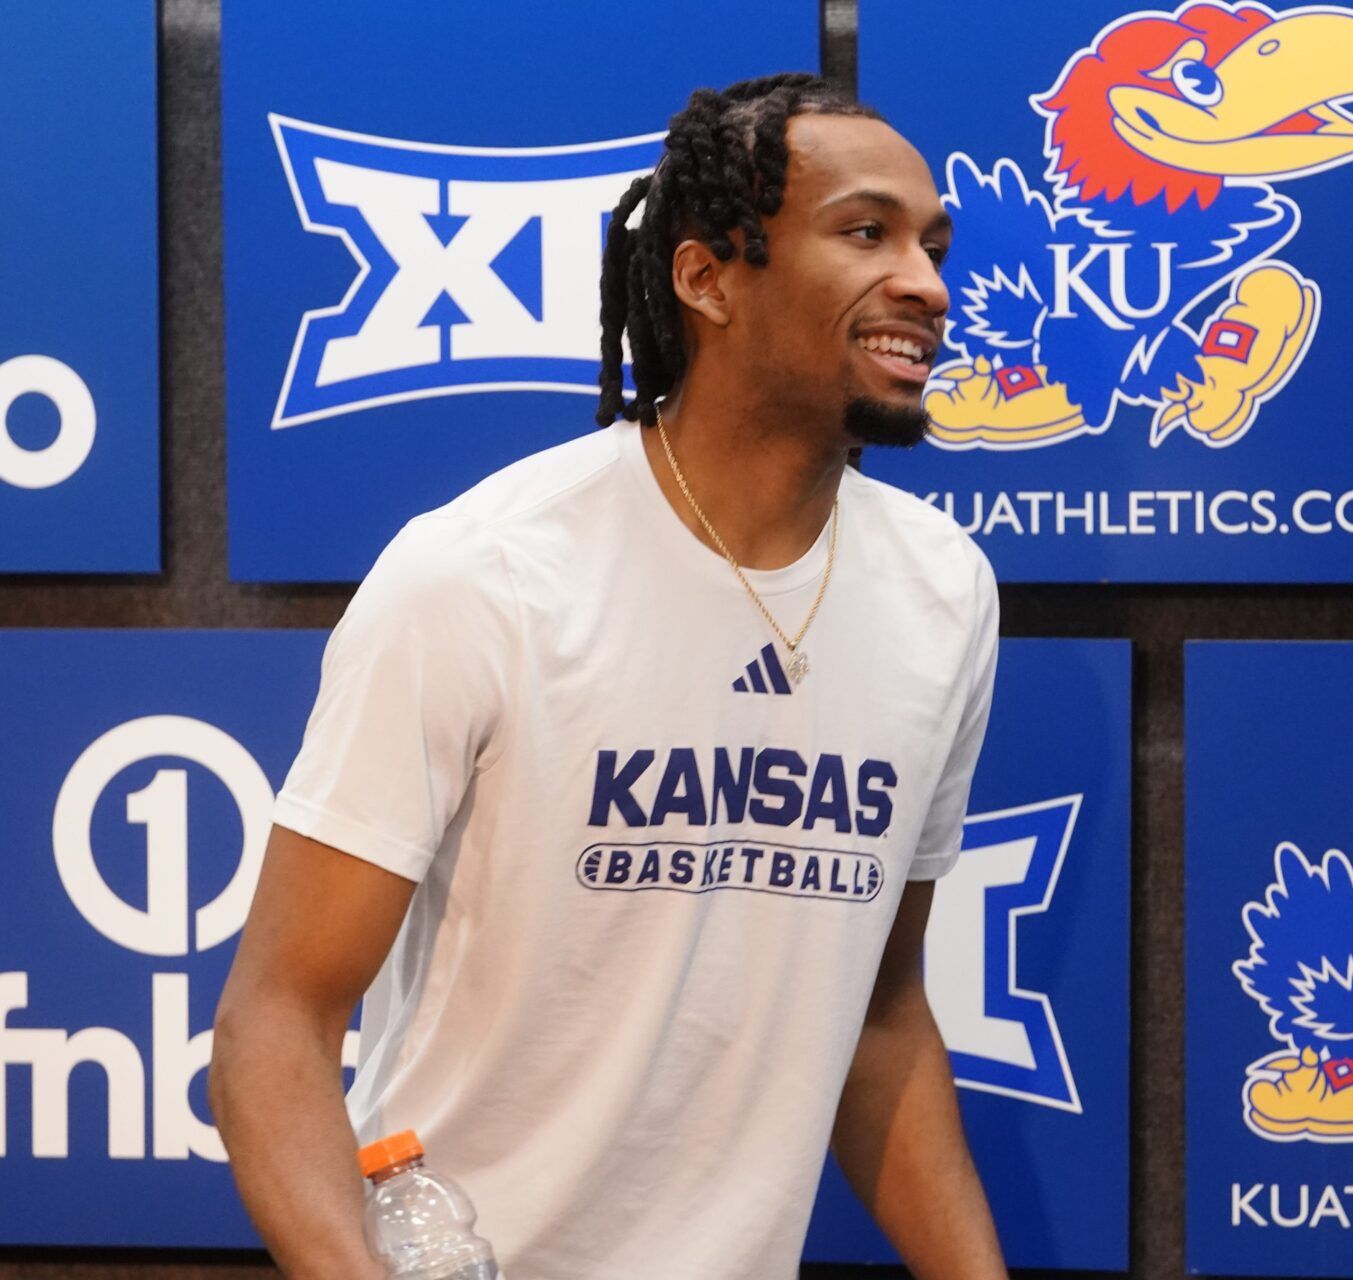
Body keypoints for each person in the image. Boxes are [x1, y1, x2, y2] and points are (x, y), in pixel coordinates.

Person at [209, 72, 1007, 1279]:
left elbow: (881, 1018)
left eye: (933, 244)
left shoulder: (946, 592)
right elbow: (278, 1015)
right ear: (706, 277)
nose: (928, 285)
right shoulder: (485, 572)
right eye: (865, 233)